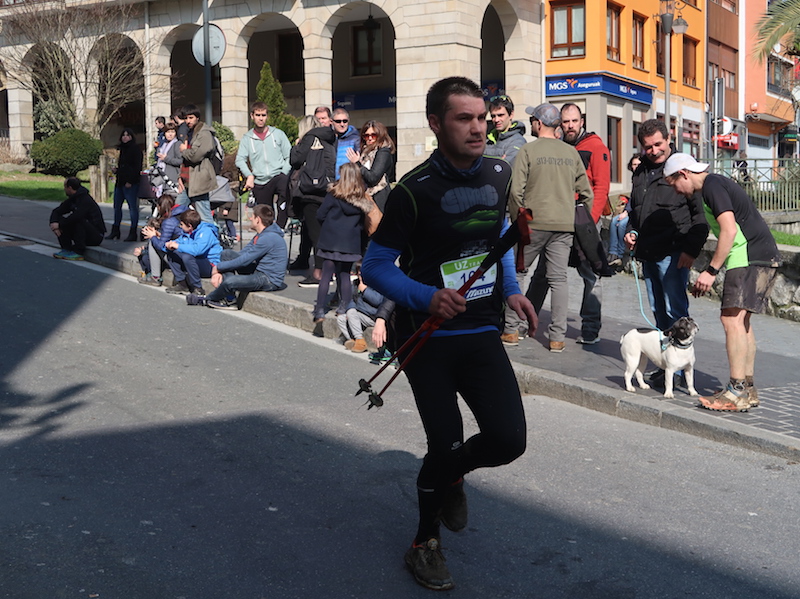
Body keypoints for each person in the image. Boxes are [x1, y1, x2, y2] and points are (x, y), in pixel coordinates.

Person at [361, 76, 537, 591]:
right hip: (426, 335)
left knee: (508, 440)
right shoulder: (411, 191)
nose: (478, 128)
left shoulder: (500, 173)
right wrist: (425, 296)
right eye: (465, 119)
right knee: (444, 442)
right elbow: (375, 266)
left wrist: (511, 290)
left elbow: (497, 239)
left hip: (479, 327)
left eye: (482, 118)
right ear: (436, 124)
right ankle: (424, 543)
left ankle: (452, 472)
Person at [664, 153, 781, 412]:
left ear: (683, 173)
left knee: (731, 320)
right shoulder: (715, 184)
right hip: (762, 255)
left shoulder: (712, 185)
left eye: (674, 184)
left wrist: (711, 270)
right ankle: (747, 389)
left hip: (748, 256)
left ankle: (736, 392)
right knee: (741, 321)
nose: (676, 191)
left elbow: (729, 230)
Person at [501, 103, 593, 352]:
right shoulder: (571, 153)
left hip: (532, 223)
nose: (531, 123)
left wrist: (517, 220)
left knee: (517, 274)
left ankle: (511, 330)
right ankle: (557, 338)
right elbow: (587, 193)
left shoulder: (528, 151)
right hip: (563, 225)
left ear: (539, 123)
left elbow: (515, 192)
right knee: (559, 279)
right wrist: (577, 220)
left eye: (533, 119)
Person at [527, 103, 611, 345]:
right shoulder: (558, 147)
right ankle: (526, 318)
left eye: (574, 121)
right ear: (559, 124)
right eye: (566, 122)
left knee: (590, 275)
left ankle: (590, 328)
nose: (570, 126)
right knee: (543, 272)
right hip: (559, 219)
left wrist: (589, 222)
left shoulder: (596, 147)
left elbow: (601, 188)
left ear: (582, 121)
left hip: (584, 220)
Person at [623, 119, 709, 332]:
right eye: (648, 147)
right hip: (648, 250)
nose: (654, 151)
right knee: (658, 309)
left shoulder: (683, 167)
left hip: (673, 253)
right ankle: (664, 353)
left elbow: (700, 216)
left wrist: (690, 250)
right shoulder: (640, 171)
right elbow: (635, 208)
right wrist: (631, 231)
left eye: (658, 144)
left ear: (669, 139)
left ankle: (679, 353)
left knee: (675, 310)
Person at [188, 204, 288, 309]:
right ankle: (230, 298)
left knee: (230, 282)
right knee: (226, 254)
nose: (250, 219)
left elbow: (245, 260)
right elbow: (242, 255)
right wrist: (220, 270)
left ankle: (207, 299)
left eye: (252, 217)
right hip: (258, 271)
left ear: (258, 220)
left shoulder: (269, 237)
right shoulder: (261, 235)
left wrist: (218, 268)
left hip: (268, 279)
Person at [311, 162, 373, 326]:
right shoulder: (360, 199)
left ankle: (319, 310)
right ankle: (344, 307)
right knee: (344, 275)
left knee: (326, 275)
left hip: (330, 240)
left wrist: (329, 226)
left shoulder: (333, 195)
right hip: (350, 242)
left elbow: (320, 214)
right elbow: (362, 224)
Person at [289, 115, 337, 287]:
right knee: (323, 232)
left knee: (316, 235)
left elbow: (295, 161)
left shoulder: (309, 139)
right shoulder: (329, 139)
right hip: (326, 190)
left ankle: (319, 274)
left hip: (310, 192)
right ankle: (328, 271)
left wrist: (296, 146)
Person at [236, 101, 292, 227]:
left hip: (278, 175)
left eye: (263, 115)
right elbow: (239, 159)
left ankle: (281, 226)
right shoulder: (247, 138)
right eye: (258, 115)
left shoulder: (278, 134)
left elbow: (289, 155)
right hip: (260, 180)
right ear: (252, 116)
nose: (261, 118)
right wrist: (249, 175)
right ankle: (270, 232)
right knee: (265, 213)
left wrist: (284, 172)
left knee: (285, 192)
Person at [164, 209, 222, 295]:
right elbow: (178, 242)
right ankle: (182, 284)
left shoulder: (206, 232)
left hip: (211, 265)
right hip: (196, 261)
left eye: (181, 224)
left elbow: (197, 250)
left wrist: (177, 246)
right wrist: (169, 245)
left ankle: (198, 288)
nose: (180, 227)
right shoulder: (187, 232)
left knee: (186, 257)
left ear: (189, 226)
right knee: (172, 254)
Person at [178, 104, 217, 224]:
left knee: (204, 215)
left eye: (191, 117)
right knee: (177, 211)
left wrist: (184, 150)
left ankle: (213, 235)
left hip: (199, 180)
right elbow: (185, 160)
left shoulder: (204, 133)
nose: (188, 121)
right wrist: (180, 177)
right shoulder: (190, 133)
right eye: (186, 118)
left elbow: (195, 156)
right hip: (187, 180)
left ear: (197, 117)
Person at [50, 177, 106, 260]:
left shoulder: (85, 200)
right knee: (61, 220)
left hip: (96, 235)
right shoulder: (73, 199)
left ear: (70, 188)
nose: (64, 189)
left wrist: (60, 225)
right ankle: (66, 248)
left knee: (78, 220)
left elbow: (77, 216)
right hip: (82, 232)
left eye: (65, 187)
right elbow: (57, 211)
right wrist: (54, 223)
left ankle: (79, 251)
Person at [346, 120, 396, 211]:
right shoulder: (365, 153)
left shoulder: (383, 152)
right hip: (364, 196)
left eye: (373, 135)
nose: (370, 138)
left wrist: (357, 163)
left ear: (380, 135)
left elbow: (373, 178)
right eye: (366, 136)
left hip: (378, 197)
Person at [138, 197, 188, 286]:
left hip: (180, 257)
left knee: (153, 242)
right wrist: (159, 235)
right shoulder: (182, 214)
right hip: (188, 254)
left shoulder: (169, 220)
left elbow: (161, 246)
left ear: (160, 207)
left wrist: (153, 236)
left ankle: (155, 277)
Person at [337, 270, 386, 353]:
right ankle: (353, 340)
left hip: (372, 316)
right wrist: (350, 309)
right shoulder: (356, 283)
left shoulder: (377, 284)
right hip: (359, 314)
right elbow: (351, 300)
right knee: (341, 318)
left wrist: (365, 290)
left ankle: (360, 341)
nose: (360, 274)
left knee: (351, 312)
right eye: (358, 272)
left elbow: (378, 300)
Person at [107, 127, 143, 242]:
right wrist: (117, 171)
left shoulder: (135, 149)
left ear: (131, 137)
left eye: (128, 135)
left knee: (132, 208)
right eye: (123, 135)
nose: (125, 137)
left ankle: (133, 232)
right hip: (120, 181)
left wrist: (130, 181)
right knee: (117, 206)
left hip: (130, 183)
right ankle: (115, 229)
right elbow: (124, 166)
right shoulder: (122, 149)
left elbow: (136, 167)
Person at [484, 94, 526, 165]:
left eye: (500, 115)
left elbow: (505, 168)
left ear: (511, 115)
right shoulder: (487, 140)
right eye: (493, 116)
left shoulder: (518, 141)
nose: (496, 120)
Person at [331, 107, 360, 178]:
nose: (342, 124)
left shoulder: (356, 139)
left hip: (350, 180)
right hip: (332, 181)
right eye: (338, 121)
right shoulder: (329, 138)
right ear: (332, 122)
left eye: (345, 121)